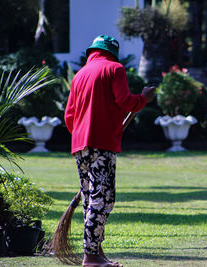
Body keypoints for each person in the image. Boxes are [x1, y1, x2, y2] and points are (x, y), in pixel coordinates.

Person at [64, 35, 155, 267]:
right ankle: (91, 257)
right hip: (102, 144)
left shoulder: (79, 75)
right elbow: (125, 101)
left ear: (93, 51)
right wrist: (143, 98)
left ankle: (97, 253)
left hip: (80, 145)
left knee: (89, 200)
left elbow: (69, 116)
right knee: (103, 199)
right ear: (113, 53)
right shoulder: (115, 69)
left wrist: (81, 136)